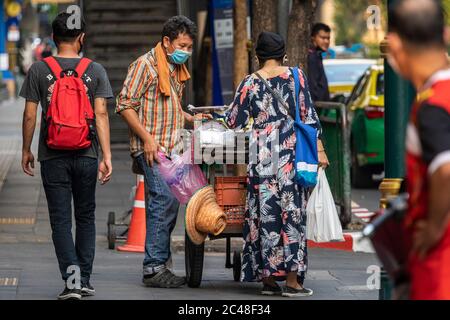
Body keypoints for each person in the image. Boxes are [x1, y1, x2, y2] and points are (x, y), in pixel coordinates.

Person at [224, 31, 329, 297]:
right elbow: (309, 117)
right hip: (291, 157)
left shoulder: (249, 82)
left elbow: (233, 121)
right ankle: (293, 282)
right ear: (283, 54)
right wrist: (320, 150)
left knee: (264, 214)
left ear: (257, 56)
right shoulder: (297, 76)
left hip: (262, 158)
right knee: (292, 215)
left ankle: (268, 282)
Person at [20, 12, 113, 300]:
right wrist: (106, 155)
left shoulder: (38, 69)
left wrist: (26, 149)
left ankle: (71, 282)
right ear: (81, 38)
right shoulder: (94, 69)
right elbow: (100, 114)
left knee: (60, 220)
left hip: (52, 155)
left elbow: (30, 115)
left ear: (54, 37)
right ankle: (83, 280)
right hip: (86, 154)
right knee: (85, 217)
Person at [116, 15, 210, 288]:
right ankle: (153, 267)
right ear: (166, 42)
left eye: (190, 47)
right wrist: (146, 139)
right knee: (163, 200)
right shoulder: (144, 66)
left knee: (170, 203)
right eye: (183, 45)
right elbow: (125, 105)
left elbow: (173, 108)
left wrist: (194, 119)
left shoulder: (173, 69)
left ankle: (160, 263)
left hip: (171, 148)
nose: (187, 52)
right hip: (151, 147)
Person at [387, 0, 450, 300]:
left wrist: (435, 226)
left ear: (395, 44)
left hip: (439, 270)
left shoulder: (433, 105)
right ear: (446, 34)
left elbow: (446, 169)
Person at [307, 23, 331, 103]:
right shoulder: (312, 57)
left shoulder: (317, 55)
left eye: (328, 38)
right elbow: (313, 86)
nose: (326, 41)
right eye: (323, 38)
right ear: (313, 38)